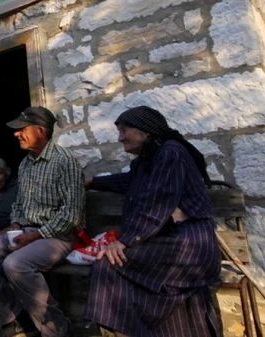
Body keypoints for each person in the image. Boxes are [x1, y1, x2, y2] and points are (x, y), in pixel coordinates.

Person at [83, 106, 221, 337]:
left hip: (190, 243)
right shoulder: (148, 160)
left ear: (144, 131)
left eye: (124, 130)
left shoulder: (171, 152)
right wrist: (92, 182)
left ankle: (127, 330)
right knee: (110, 263)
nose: (120, 138)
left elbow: (159, 203)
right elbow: (128, 182)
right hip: (167, 238)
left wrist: (125, 241)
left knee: (109, 264)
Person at [0, 106, 85, 337]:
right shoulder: (26, 164)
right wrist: (17, 224)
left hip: (57, 236)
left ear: (40, 131)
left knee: (15, 264)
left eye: (22, 129)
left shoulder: (65, 161)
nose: (16, 133)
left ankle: (56, 329)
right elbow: (19, 204)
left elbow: (72, 215)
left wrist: (36, 235)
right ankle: (15, 320)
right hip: (27, 232)